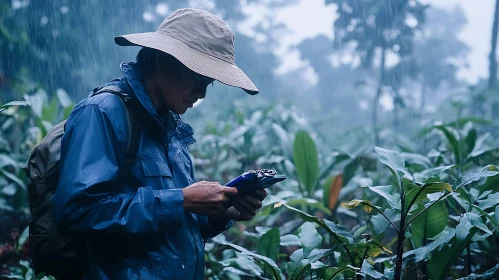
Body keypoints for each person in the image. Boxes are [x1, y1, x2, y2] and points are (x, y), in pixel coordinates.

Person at [52, 8, 266, 280]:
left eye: (208, 83)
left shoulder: (171, 129)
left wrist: (220, 214)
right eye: (198, 79)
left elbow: (171, 230)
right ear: (164, 61)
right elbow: (77, 212)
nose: (201, 94)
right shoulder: (102, 113)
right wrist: (180, 200)